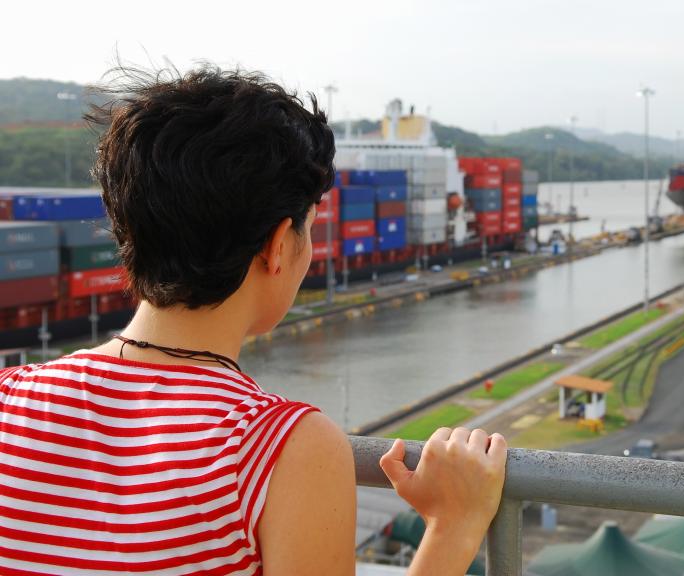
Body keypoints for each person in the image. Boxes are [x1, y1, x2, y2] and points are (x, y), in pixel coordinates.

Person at [0, 66, 507, 576]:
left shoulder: (7, 395)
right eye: (308, 230)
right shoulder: (286, 447)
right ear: (276, 245)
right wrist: (455, 524)